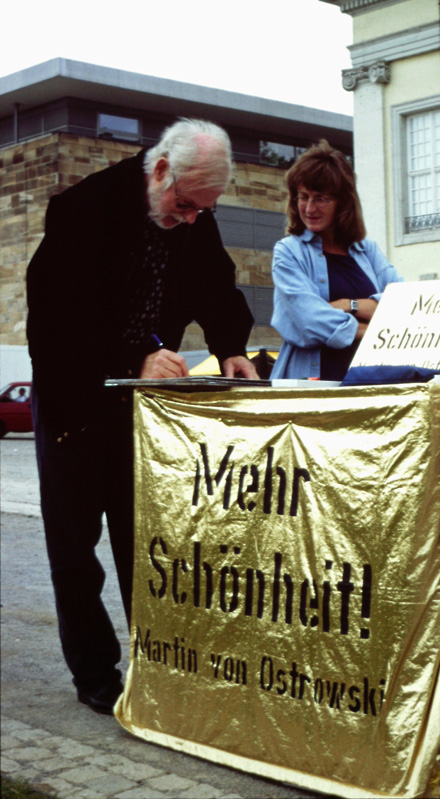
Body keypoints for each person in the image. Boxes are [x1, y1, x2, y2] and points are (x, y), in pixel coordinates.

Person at [26, 118, 258, 715]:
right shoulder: (83, 211)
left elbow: (217, 282)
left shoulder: (191, 215)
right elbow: (55, 324)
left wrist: (232, 345)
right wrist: (135, 358)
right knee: (76, 554)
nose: (189, 220)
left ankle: (159, 663)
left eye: (201, 212)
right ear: (160, 171)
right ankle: (96, 674)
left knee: (146, 545)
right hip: (74, 407)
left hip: (136, 411)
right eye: (184, 206)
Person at [270, 140, 402, 381]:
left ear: (343, 202)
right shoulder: (288, 252)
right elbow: (311, 323)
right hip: (311, 386)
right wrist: (375, 327)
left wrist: (348, 304)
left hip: (370, 382)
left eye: (321, 198)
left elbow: (405, 303)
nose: (309, 208)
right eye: (303, 197)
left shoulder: (368, 251)